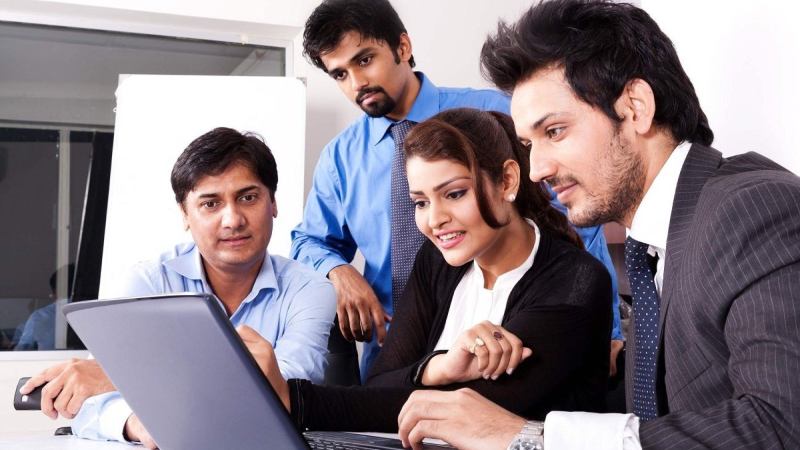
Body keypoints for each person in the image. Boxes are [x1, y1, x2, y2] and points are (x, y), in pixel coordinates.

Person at [396, 1, 800, 449]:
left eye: (554, 132)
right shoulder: (654, 247)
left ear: (635, 107)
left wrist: (529, 438)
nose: (537, 170)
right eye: (528, 144)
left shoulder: (753, 207)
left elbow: (781, 425)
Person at [291, 0, 622, 381]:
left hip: (505, 348)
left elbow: (572, 219)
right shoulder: (340, 158)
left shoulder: (493, 114)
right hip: (397, 363)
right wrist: (338, 271)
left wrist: (606, 327)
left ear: (402, 47)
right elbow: (309, 241)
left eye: (364, 60)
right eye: (340, 74)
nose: (356, 83)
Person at [240, 108, 612, 432]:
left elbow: (465, 412)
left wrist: (294, 399)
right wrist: (440, 367)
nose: (435, 220)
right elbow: (379, 383)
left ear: (507, 181)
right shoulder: (437, 261)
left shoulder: (576, 281)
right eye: (420, 202)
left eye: (455, 194)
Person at [19, 128, 337, 448]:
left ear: (273, 203)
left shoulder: (309, 289)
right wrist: (136, 423)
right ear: (185, 215)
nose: (233, 220)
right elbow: (88, 401)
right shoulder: (147, 282)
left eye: (248, 197)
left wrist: (122, 377)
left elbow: (288, 389)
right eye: (210, 203)